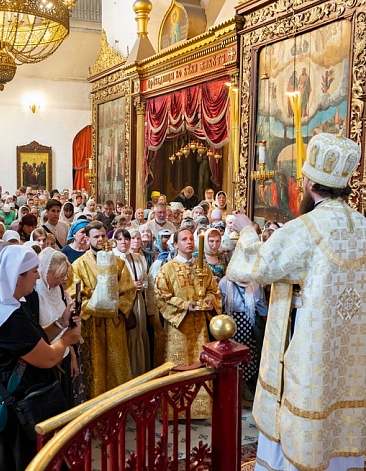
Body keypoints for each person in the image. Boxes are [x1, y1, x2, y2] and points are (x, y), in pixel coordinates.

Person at [228, 133, 365, 470]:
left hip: (309, 342)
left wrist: (247, 230)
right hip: (351, 346)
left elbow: (256, 267)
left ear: (307, 182)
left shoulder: (305, 227)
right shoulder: (362, 225)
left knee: (302, 410)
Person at [0, 246, 81, 471]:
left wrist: (61, 323)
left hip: (17, 404)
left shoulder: (10, 306)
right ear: (16, 276)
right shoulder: (7, 318)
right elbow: (47, 358)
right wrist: (67, 340)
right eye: (34, 271)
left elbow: (35, 340)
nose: (38, 276)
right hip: (18, 413)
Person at [154, 228, 221, 419]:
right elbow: (161, 297)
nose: (189, 242)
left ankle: (199, 410)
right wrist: (185, 305)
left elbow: (214, 291)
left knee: (200, 364)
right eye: (184, 239)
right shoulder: (167, 269)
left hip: (200, 326)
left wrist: (209, 301)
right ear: (175, 245)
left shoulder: (203, 267)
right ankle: (177, 410)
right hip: (179, 329)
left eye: (191, 239)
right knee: (179, 366)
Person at [69, 221, 136, 399]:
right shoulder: (78, 265)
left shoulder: (119, 263)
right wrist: (95, 306)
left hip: (114, 322)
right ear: (87, 239)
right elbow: (74, 296)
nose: (100, 239)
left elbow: (129, 290)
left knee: (116, 364)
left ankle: (118, 404)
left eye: (103, 235)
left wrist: (115, 306)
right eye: (96, 236)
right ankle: (95, 408)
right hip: (92, 324)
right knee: (95, 367)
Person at [35, 248, 81, 408]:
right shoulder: (34, 294)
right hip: (45, 359)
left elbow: (64, 330)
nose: (63, 279)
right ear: (44, 270)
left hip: (64, 354)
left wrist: (73, 356)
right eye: (58, 275)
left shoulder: (60, 290)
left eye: (64, 275)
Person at [113, 229, 150, 377]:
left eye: (127, 239)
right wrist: (130, 287)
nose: (124, 242)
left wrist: (142, 286)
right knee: (127, 337)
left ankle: (140, 371)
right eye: (120, 239)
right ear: (115, 240)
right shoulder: (112, 258)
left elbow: (146, 279)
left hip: (138, 302)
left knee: (138, 333)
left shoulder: (137, 258)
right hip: (122, 304)